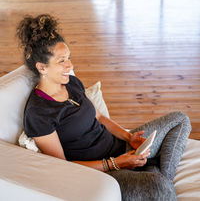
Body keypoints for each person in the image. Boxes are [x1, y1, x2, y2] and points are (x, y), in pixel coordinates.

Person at [17, 14, 191, 201]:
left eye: (69, 58)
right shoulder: (38, 113)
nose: (70, 65)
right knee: (159, 188)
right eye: (62, 61)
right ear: (42, 68)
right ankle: (154, 175)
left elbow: (99, 117)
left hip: (121, 148)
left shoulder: (72, 83)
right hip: (105, 171)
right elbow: (64, 167)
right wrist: (116, 164)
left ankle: (155, 172)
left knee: (180, 119)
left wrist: (129, 137)